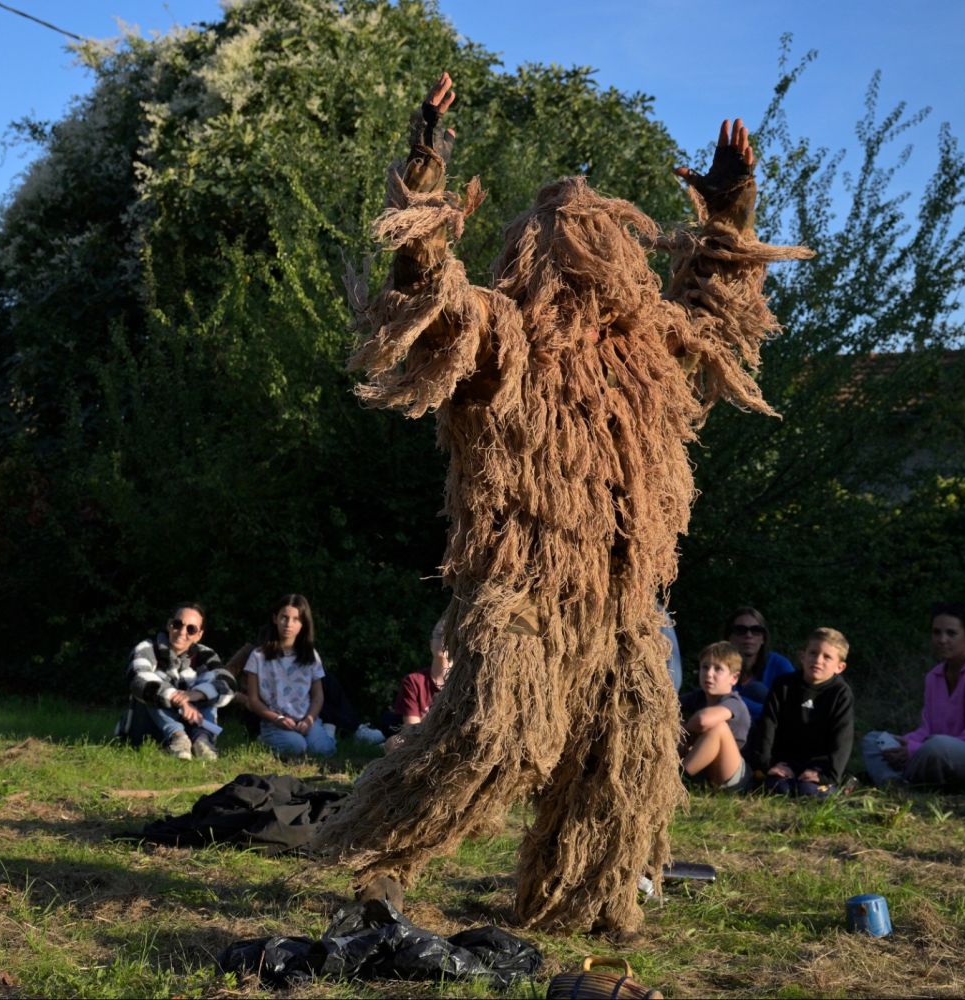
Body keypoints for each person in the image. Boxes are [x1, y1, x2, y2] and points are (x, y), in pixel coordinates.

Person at [312, 68, 811, 934]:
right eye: (565, 243)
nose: (585, 260)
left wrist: (728, 210)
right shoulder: (501, 335)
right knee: (495, 735)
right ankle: (382, 859)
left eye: (599, 242)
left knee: (625, 757)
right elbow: (425, 293)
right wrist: (425, 164)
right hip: (521, 591)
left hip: (622, 601)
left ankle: (584, 897)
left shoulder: (649, 347)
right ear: (531, 255)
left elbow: (718, 305)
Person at [860, 605, 965, 790]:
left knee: (938, 746)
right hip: (939, 751)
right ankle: (894, 784)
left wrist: (915, 749)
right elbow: (927, 729)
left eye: (951, 633)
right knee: (873, 739)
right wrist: (906, 743)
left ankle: (905, 777)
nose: (942, 640)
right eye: (936, 632)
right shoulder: (934, 677)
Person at [122, 602, 236, 760]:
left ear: (199, 635)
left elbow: (228, 684)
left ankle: (202, 740)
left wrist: (197, 694)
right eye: (177, 624)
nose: (182, 632)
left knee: (211, 682)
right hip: (147, 729)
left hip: (191, 725)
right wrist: (180, 700)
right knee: (153, 684)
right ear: (169, 625)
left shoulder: (206, 654)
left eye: (191, 629)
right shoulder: (147, 648)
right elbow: (137, 679)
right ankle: (178, 737)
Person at [754, 627, 856, 797]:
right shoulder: (783, 685)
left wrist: (827, 775)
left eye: (827, 657)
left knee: (809, 792)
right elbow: (768, 724)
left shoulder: (841, 693)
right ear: (802, 656)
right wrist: (767, 764)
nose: (818, 660)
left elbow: (842, 738)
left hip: (819, 765)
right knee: (779, 789)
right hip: (785, 760)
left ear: (840, 667)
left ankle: (842, 783)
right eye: (813, 653)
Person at [242, 594, 336, 758]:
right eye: (284, 618)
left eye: (296, 619)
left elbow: (318, 696)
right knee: (296, 747)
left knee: (323, 751)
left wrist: (309, 719)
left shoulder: (311, 655)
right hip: (274, 721)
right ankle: (264, 740)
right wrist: (277, 719)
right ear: (275, 619)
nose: (288, 624)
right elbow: (254, 700)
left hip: (306, 719)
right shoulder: (258, 656)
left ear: (303, 624)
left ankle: (326, 733)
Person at [680, 642, 752, 793]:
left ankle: (677, 780)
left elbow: (703, 720)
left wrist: (683, 731)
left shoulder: (734, 702)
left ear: (734, 678)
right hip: (705, 772)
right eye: (705, 667)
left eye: (718, 669)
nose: (709, 673)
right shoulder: (697, 697)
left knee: (718, 727)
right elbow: (667, 708)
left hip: (732, 775)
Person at [382, 618, 450, 752]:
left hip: (450, 741)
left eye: (448, 636)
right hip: (422, 741)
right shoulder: (414, 681)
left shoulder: (463, 684)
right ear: (431, 643)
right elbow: (412, 728)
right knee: (394, 743)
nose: (442, 640)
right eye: (438, 635)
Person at [723, 607, 797, 720]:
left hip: (772, 727)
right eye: (740, 630)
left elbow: (793, 706)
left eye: (756, 630)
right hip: (731, 727)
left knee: (757, 690)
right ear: (729, 637)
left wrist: (735, 702)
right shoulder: (718, 667)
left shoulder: (778, 664)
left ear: (763, 638)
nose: (748, 635)